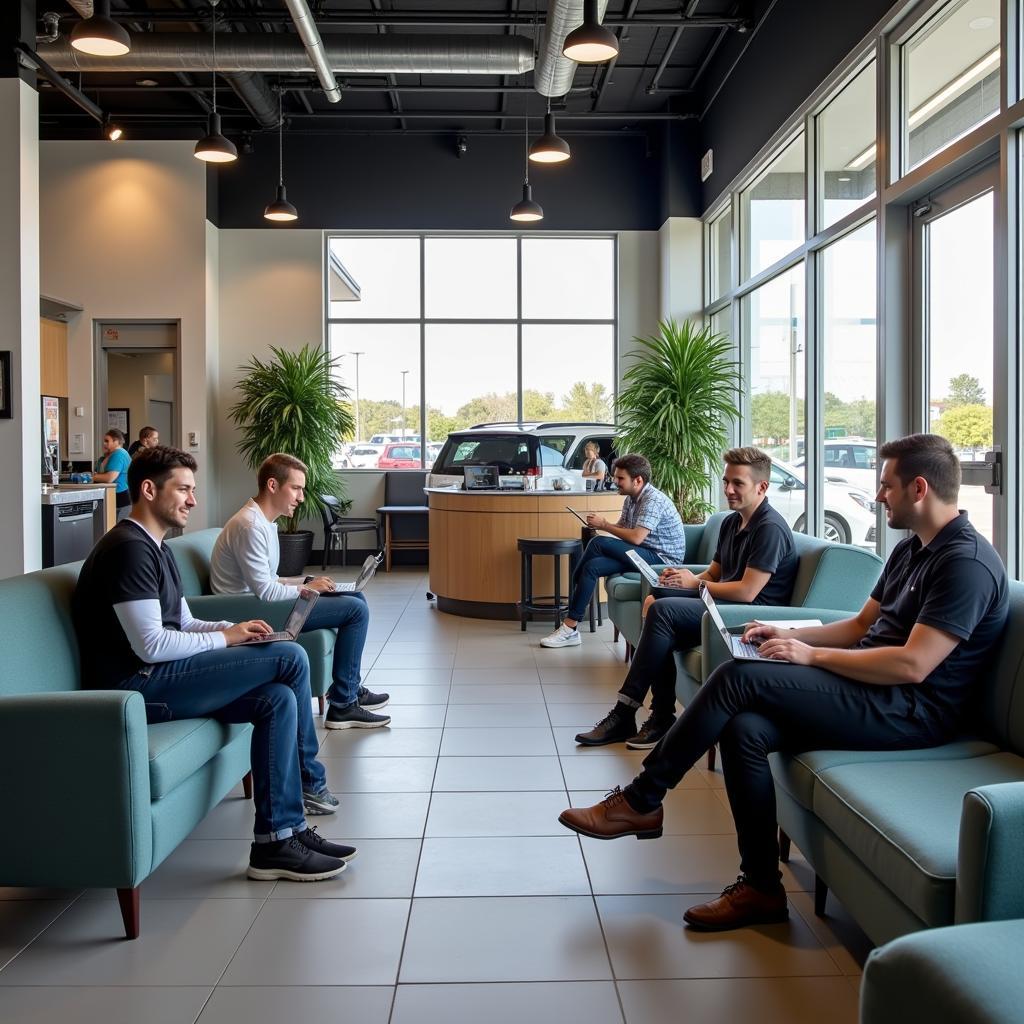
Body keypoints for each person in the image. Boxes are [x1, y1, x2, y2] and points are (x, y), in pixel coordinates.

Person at [559, 434, 1008, 931]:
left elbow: (912, 667)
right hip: (878, 690)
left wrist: (810, 654)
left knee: (737, 679)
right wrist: (788, 633)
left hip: (911, 710)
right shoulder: (911, 550)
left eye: (886, 486)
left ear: (919, 488)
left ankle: (643, 799)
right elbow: (860, 627)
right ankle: (760, 888)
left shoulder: (964, 563)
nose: (879, 496)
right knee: (745, 728)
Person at [72, 446, 355, 882]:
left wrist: (234, 625)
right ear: (148, 489)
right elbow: (150, 646)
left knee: (276, 698)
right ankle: (309, 783)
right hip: (135, 688)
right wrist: (224, 638)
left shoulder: (155, 547)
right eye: (184, 489)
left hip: (156, 677)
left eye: (192, 490)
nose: (193, 500)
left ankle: (280, 836)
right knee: (289, 656)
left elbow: (181, 620)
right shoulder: (128, 550)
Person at [576, 447, 798, 750]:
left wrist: (694, 585)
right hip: (722, 605)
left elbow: (748, 591)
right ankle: (657, 715)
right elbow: (716, 572)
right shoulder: (732, 522)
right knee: (657, 600)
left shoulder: (769, 528)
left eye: (738, 484)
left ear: (762, 487)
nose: (729, 490)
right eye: (726, 481)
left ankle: (629, 713)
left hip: (748, 617)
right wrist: (682, 579)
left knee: (663, 613)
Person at [211, 452, 390, 731]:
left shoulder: (263, 522)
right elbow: (266, 593)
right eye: (295, 488)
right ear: (273, 485)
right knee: (355, 610)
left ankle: (349, 689)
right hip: (250, 614)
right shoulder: (250, 526)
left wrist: (306, 581)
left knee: (354, 597)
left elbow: (269, 581)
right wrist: (307, 588)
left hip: (258, 604)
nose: (301, 497)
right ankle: (343, 705)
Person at [540, 453, 687, 649]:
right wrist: (601, 525)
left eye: (620, 478)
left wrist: (604, 525)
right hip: (640, 554)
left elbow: (635, 537)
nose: (615, 481)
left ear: (638, 480)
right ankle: (570, 629)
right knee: (592, 567)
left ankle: (574, 594)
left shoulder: (653, 500)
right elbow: (622, 530)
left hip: (661, 561)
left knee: (598, 543)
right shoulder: (630, 498)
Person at [93, 428, 132, 521]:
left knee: (118, 529)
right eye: (104, 441)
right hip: (114, 498)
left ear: (116, 441)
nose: (104, 444)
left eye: (107, 441)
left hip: (121, 498)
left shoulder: (119, 454)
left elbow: (109, 477)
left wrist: (91, 477)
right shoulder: (110, 455)